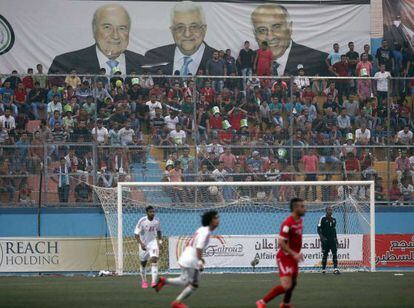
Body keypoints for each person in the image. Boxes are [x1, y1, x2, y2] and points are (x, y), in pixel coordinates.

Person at [48, 4, 146, 74]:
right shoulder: (66, 62)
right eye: (107, 27)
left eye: (122, 28)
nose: (115, 35)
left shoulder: (144, 63)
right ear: (94, 30)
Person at [154, 210, 220, 308]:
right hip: (192, 260)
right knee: (194, 285)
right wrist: (200, 261)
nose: (218, 220)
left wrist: (200, 259)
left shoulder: (201, 229)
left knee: (184, 280)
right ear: (211, 220)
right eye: (216, 218)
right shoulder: (206, 232)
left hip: (185, 256)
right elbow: (199, 247)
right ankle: (177, 303)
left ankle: (164, 281)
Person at [251, 3, 328, 76]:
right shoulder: (251, 59)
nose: (270, 37)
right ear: (255, 35)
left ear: (290, 28)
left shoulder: (318, 59)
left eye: (276, 27)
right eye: (262, 30)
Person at [256, 198, 306, 308]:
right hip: (285, 257)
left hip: (293, 257)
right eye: (302, 207)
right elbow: (281, 242)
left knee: (293, 283)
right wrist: (294, 253)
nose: (304, 209)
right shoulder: (288, 223)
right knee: (286, 286)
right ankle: (262, 302)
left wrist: (296, 254)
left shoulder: (300, 221)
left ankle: (285, 304)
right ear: (295, 208)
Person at [145, 1, 216, 75]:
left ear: (204, 29)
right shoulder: (154, 56)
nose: (187, 34)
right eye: (180, 27)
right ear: (172, 31)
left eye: (194, 27)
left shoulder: (220, 59)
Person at [134, 206, 162, 289]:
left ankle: (153, 282)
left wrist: (160, 242)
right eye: (150, 212)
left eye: (153, 212)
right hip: (144, 244)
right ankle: (144, 281)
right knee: (143, 263)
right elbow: (136, 234)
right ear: (147, 213)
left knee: (154, 259)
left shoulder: (157, 221)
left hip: (153, 243)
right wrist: (141, 244)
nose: (152, 213)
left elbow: (159, 231)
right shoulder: (142, 221)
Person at [317, 206, 340, 275]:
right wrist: (321, 237)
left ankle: (335, 269)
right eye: (329, 210)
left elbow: (334, 230)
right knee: (325, 254)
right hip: (325, 240)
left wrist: (336, 240)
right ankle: (323, 269)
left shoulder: (334, 220)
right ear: (326, 211)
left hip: (332, 240)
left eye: (331, 210)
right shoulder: (322, 218)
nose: (330, 211)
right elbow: (318, 228)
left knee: (334, 254)